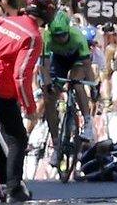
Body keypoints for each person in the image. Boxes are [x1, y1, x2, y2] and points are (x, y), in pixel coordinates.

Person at [0, 0, 58, 203]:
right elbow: (21, 76)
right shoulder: (33, 37)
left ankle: (0, 182)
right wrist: (30, 108)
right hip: (2, 91)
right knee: (17, 139)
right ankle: (13, 188)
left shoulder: (5, 21)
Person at [40, 11, 95, 167]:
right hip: (58, 62)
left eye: (63, 35)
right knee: (49, 100)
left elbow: (87, 67)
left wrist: (93, 86)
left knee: (77, 83)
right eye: (56, 36)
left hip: (76, 60)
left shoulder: (78, 36)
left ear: (68, 30)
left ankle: (88, 122)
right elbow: (44, 67)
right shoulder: (47, 37)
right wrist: (48, 84)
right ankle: (56, 145)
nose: (60, 38)